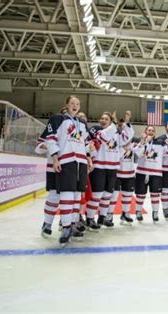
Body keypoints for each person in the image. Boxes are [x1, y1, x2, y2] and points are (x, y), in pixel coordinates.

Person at [43, 96, 93, 246]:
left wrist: (89, 158)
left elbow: (86, 143)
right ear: (66, 105)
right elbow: (48, 140)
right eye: (72, 103)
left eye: (78, 104)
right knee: (60, 195)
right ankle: (58, 226)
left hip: (80, 163)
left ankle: (72, 224)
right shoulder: (58, 119)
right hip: (64, 162)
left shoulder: (81, 124)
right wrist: (55, 158)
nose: (75, 106)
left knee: (77, 196)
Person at [86, 112, 126, 229]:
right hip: (99, 167)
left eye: (106, 119)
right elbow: (103, 137)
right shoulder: (95, 130)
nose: (103, 120)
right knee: (97, 194)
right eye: (102, 118)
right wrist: (113, 124)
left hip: (113, 168)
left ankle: (102, 217)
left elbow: (123, 145)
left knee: (108, 194)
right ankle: (90, 218)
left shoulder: (116, 134)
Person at [133, 126, 168, 222]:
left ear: (155, 133)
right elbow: (138, 153)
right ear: (145, 132)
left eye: (152, 131)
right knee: (140, 194)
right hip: (142, 172)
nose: (150, 132)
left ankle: (155, 212)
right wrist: (144, 142)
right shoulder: (141, 141)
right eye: (149, 130)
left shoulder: (160, 143)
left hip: (156, 173)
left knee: (155, 194)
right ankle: (138, 211)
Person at [106, 112, 135, 225]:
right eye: (120, 124)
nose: (122, 126)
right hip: (116, 172)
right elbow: (113, 154)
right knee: (113, 196)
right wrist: (123, 148)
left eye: (124, 125)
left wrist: (127, 120)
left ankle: (125, 214)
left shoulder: (133, 140)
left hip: (129, 173)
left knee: (127, 195)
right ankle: (109, 216)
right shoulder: (113, 138)